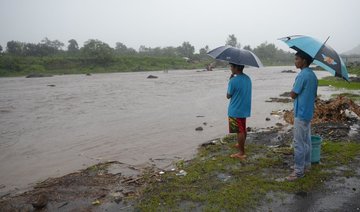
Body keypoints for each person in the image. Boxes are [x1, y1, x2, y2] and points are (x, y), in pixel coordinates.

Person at [286, 51, 318, 181]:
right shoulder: (313, 75)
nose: (295, 61)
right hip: (308, 112)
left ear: (304, 61)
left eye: (297, 59)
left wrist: (293, 90)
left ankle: (298, 171)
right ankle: (306, 165)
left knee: (299, 143)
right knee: (307, 141)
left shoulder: (302, 75)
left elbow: (293, 94)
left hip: (300, 113)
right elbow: (314, 95)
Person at [227, 63, 252, 160]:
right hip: (244, 107)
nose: (230, 68)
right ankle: (241, 145)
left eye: (231, 67)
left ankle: (241, 152)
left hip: (235, 108)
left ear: (236, 67)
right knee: (243, 128)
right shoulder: (247, 78)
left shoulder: (233, 81)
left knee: (239, 131)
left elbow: (228, 95)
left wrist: (230, 81)